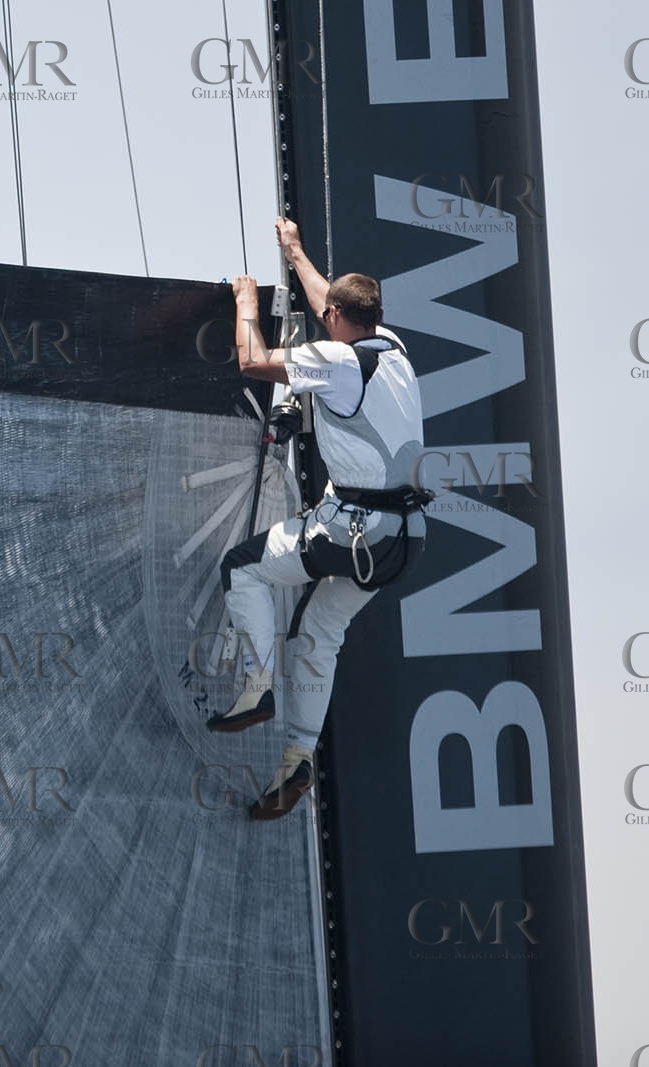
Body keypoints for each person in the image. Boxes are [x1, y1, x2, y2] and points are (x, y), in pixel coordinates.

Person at [205, 218, 432, 820]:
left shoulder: (334, 360)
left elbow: (253, 361)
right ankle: (299, 757)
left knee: (243, 570)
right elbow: (328, 297)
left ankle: (257, 686)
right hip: (405, 540)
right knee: (318, 636)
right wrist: (296, 253)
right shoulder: (394, 349)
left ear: (336, 319)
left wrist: (246, 302)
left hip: (352, 533)